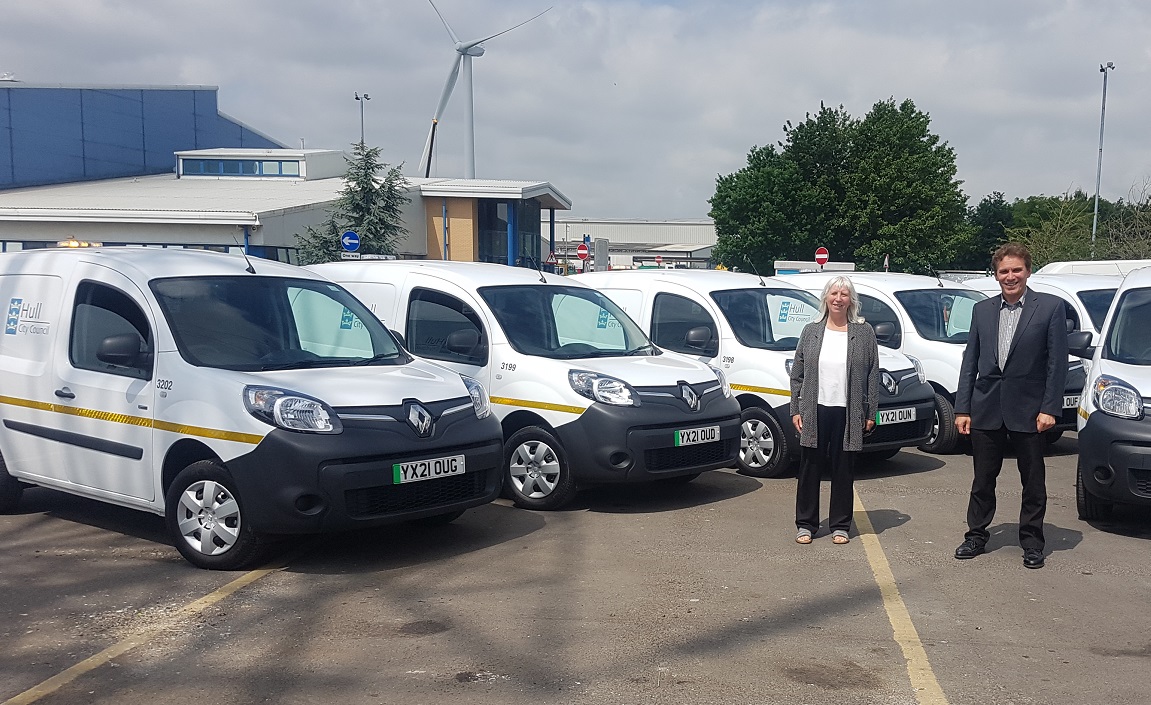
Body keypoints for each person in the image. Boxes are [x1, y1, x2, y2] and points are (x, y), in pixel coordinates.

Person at [953, 242, 1067, 569]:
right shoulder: (982, 311)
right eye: (1004, 271)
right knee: (982, 479)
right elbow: (969, 362)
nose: (1010, 276)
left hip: (1031, 411)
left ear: (1028, 271)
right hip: (986, 407)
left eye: (1016, 270)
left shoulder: (1049, 308)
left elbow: (1056, 365)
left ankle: (1032, 542)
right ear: (996, 275)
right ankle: (976, 535)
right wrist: (963, 408)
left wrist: (1050, 408)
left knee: (1032, 480)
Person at [789, 276, 879, 545]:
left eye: (844, 294)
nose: (839, 298)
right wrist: (796, 407)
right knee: (810, 468)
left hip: (848, 411)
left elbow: (873, 373)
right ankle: (806, 524)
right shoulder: (811, 330)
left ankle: (840, 525)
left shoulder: (863, 332)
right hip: (815, 409)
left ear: (851, 300)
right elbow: (798, 373)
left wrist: (870, 412)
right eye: (834, 293)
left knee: (843, 469)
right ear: (825, 297)